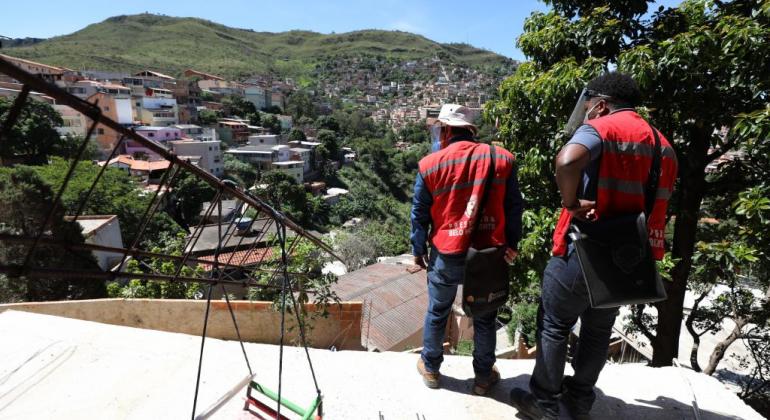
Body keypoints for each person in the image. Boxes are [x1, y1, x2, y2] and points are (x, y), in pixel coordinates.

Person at [509, 73, 678, 419]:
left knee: (554, 323)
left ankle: (543, 402)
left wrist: (570, 203)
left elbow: (567, 160)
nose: (586, 114)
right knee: (598, 330)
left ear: (600, 104)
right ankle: (581, 399)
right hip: (628, 257)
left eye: (588, 108)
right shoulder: (663, 146)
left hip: (583, 246)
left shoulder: (602, 127)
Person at [410, 103, 524, 395]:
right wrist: (512, 245)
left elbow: (419, 213)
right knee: (485, 315)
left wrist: (417, 250)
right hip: (488, 253)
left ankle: (432, 369)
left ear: (446, 130)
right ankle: (484, 378)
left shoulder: (429, 165)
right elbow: (514, 207)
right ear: (472, 131)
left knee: (438, 311)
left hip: (446, 252)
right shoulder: (503, 159)